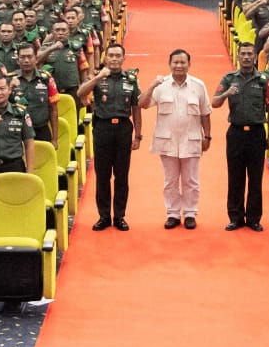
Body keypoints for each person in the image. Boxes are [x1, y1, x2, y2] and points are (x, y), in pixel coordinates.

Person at [141, 48, 212, 230]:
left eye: (183, 62)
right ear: (169, 64)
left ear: (189, 64)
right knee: (170, 180)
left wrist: (208, 136)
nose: (179, 66)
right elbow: (143, 104)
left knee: (191, 180)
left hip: (192, 139)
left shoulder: (198, 85)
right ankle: (172, 213)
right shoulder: (161, 85)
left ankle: (190, 213)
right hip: (167, 140)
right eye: (175, 62)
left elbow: (205, 113)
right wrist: (151, 86)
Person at [77, 43, 141, 231]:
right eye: (110, 55)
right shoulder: (98, 77)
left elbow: (136, 107)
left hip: (123, 129)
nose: (114, 59)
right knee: (102, 175)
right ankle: (104, 216)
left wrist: (139, 134)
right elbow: (81, 93)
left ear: (123, 59)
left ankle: (119, 216)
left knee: (121, 176)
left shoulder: (130, 79)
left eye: (117, 56)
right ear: (105, 58)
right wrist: (98, 77)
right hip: (102, 128)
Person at [212, 41, 269, 231]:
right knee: (235, 177)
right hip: (236, 133)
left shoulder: (264, 79)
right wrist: (226, 94)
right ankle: (236, 217)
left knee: (255, 178)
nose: (246, 57)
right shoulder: (229, 78)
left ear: (255, 57)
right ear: (238, 56)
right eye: (243, 54)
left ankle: (254, 218)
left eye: (250, 54)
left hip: (257, 132)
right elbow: (214, 103)